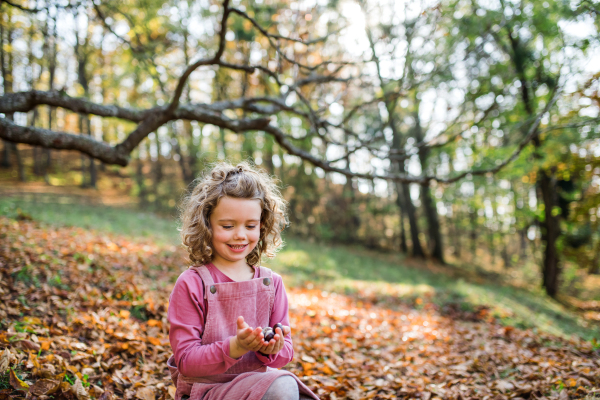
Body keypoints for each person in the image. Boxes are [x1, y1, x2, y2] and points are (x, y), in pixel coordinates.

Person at [167, 161, 319, 400]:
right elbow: (186, 361)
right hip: (206, 391)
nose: (240, 234)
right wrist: (235, 347)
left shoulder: (272, 283)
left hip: (257, 385)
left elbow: (285, 353)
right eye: (228, 225)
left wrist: (271, 348)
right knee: (283, 388)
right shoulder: (192, 283)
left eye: (250, 225)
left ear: (263, 225)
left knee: (295, 392)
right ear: (207, 224)